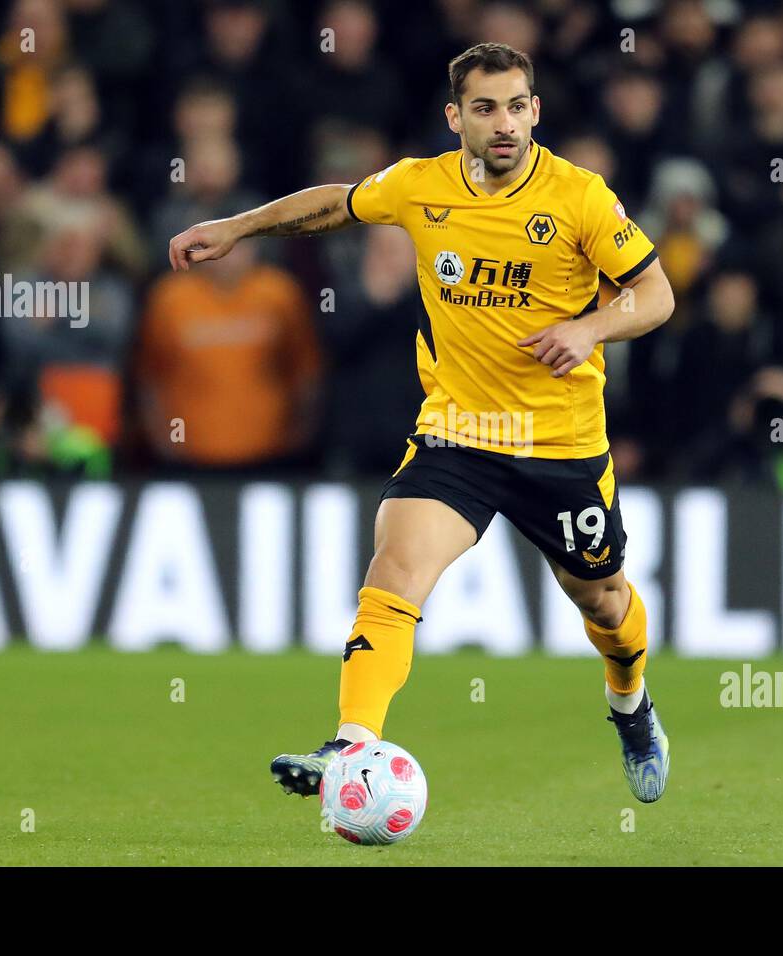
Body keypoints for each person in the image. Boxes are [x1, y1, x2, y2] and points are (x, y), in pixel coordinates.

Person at [169, 42, 676, 804]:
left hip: (560, 445)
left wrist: (592, 329)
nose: (503, 124)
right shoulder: (420, 186)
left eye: (515, 106)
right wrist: (239, 227)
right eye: (484, 108)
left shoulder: (580, 199)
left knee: (600, 598)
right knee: (394, 575)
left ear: (535, 111)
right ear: (455, 118)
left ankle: (630, 704)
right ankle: (352, 742)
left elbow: (657, 294)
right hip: (456, 434)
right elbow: (336, 202)